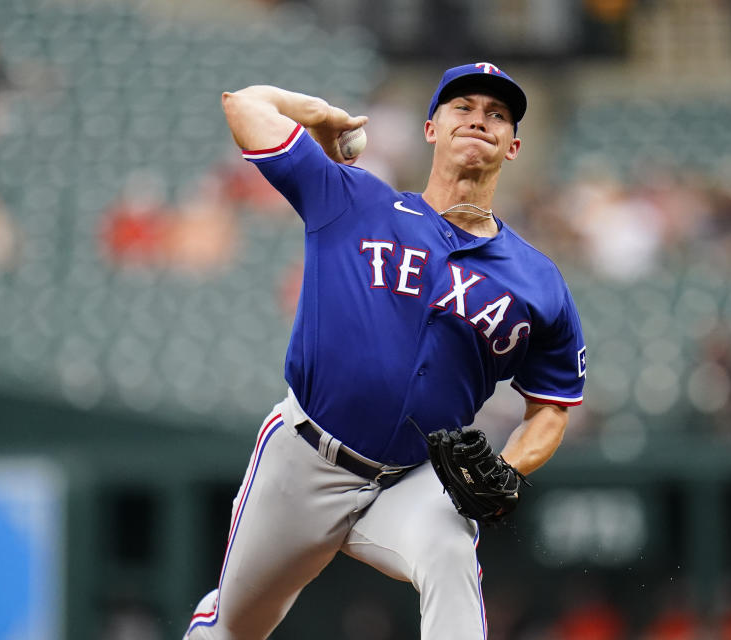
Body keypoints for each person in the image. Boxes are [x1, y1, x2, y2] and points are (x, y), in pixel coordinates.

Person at [184, 62, 587, 639]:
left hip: (413, 478)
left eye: (496, 114)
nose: (480, 120)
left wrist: (507, 465)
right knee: (234, 627)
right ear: (430, 129)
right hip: (305, 461)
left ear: (514, 145)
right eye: (463, 108)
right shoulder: (354, 199)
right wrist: (321, 116)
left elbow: (550, 408)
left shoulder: (539, 281)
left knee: (450, 549)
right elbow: (243, 104)